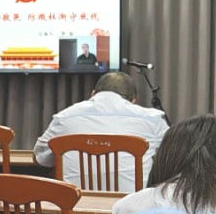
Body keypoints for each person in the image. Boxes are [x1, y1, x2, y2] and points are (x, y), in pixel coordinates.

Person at [33, 71, 167, 191]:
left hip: (74, 206)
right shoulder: (152, 120)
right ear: (133, 101)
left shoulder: (65, 117)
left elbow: (40, 159)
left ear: (92, 94)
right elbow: (172, 160)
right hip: (131, 207)